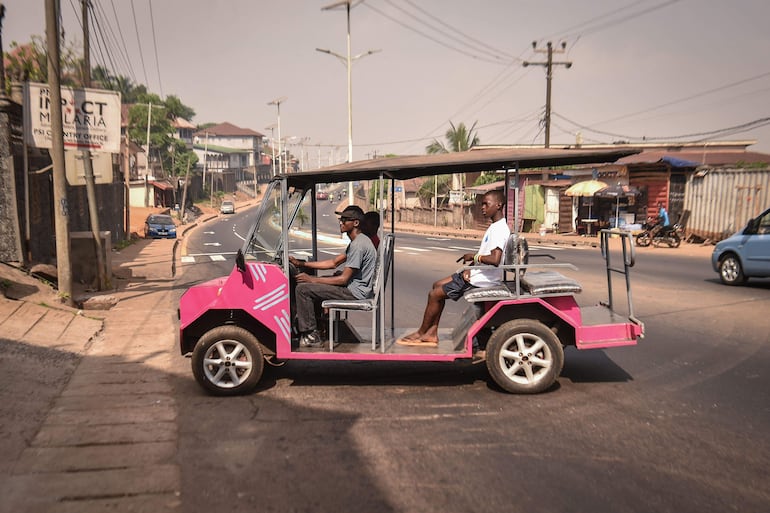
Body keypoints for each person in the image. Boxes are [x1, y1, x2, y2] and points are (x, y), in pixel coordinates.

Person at [397, 190, 510, 347]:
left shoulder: (499, 229)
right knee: (437, 285)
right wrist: (471, 267)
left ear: (498, 205)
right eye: (482, 204)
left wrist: (473, 257)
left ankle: (422, 332)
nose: (482, 207)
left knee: (434, 294)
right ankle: (432, 333)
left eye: (486, 204)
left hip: (482, 280)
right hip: (478, 274)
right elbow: (486, 255)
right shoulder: (494, 226)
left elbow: (495, 259)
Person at [291, 205, 377, 347]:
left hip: (354, 293)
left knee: (303, 289)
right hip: (354, 288)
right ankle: (319, 327)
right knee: (316, 283)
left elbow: (343, 279)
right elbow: (333, 262)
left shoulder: (358, 245)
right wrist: (301, 264)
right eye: (341, 219)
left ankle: (311, 335)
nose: (341, 222)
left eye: (345, 220)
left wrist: (311, 279)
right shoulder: (358, 241)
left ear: (355, 223)